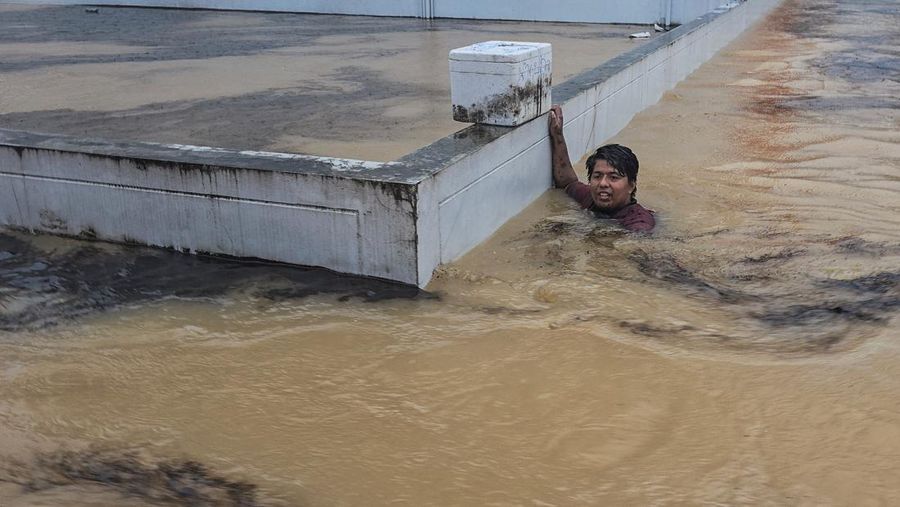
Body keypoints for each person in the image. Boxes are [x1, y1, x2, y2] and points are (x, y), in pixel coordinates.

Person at [548, 105, 655, 232]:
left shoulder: (639, 224)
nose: (603, 183)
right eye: (597, 176)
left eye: (613, 177)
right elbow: (568, 183)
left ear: (631, 186)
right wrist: (557, 134)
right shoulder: (591, 199)